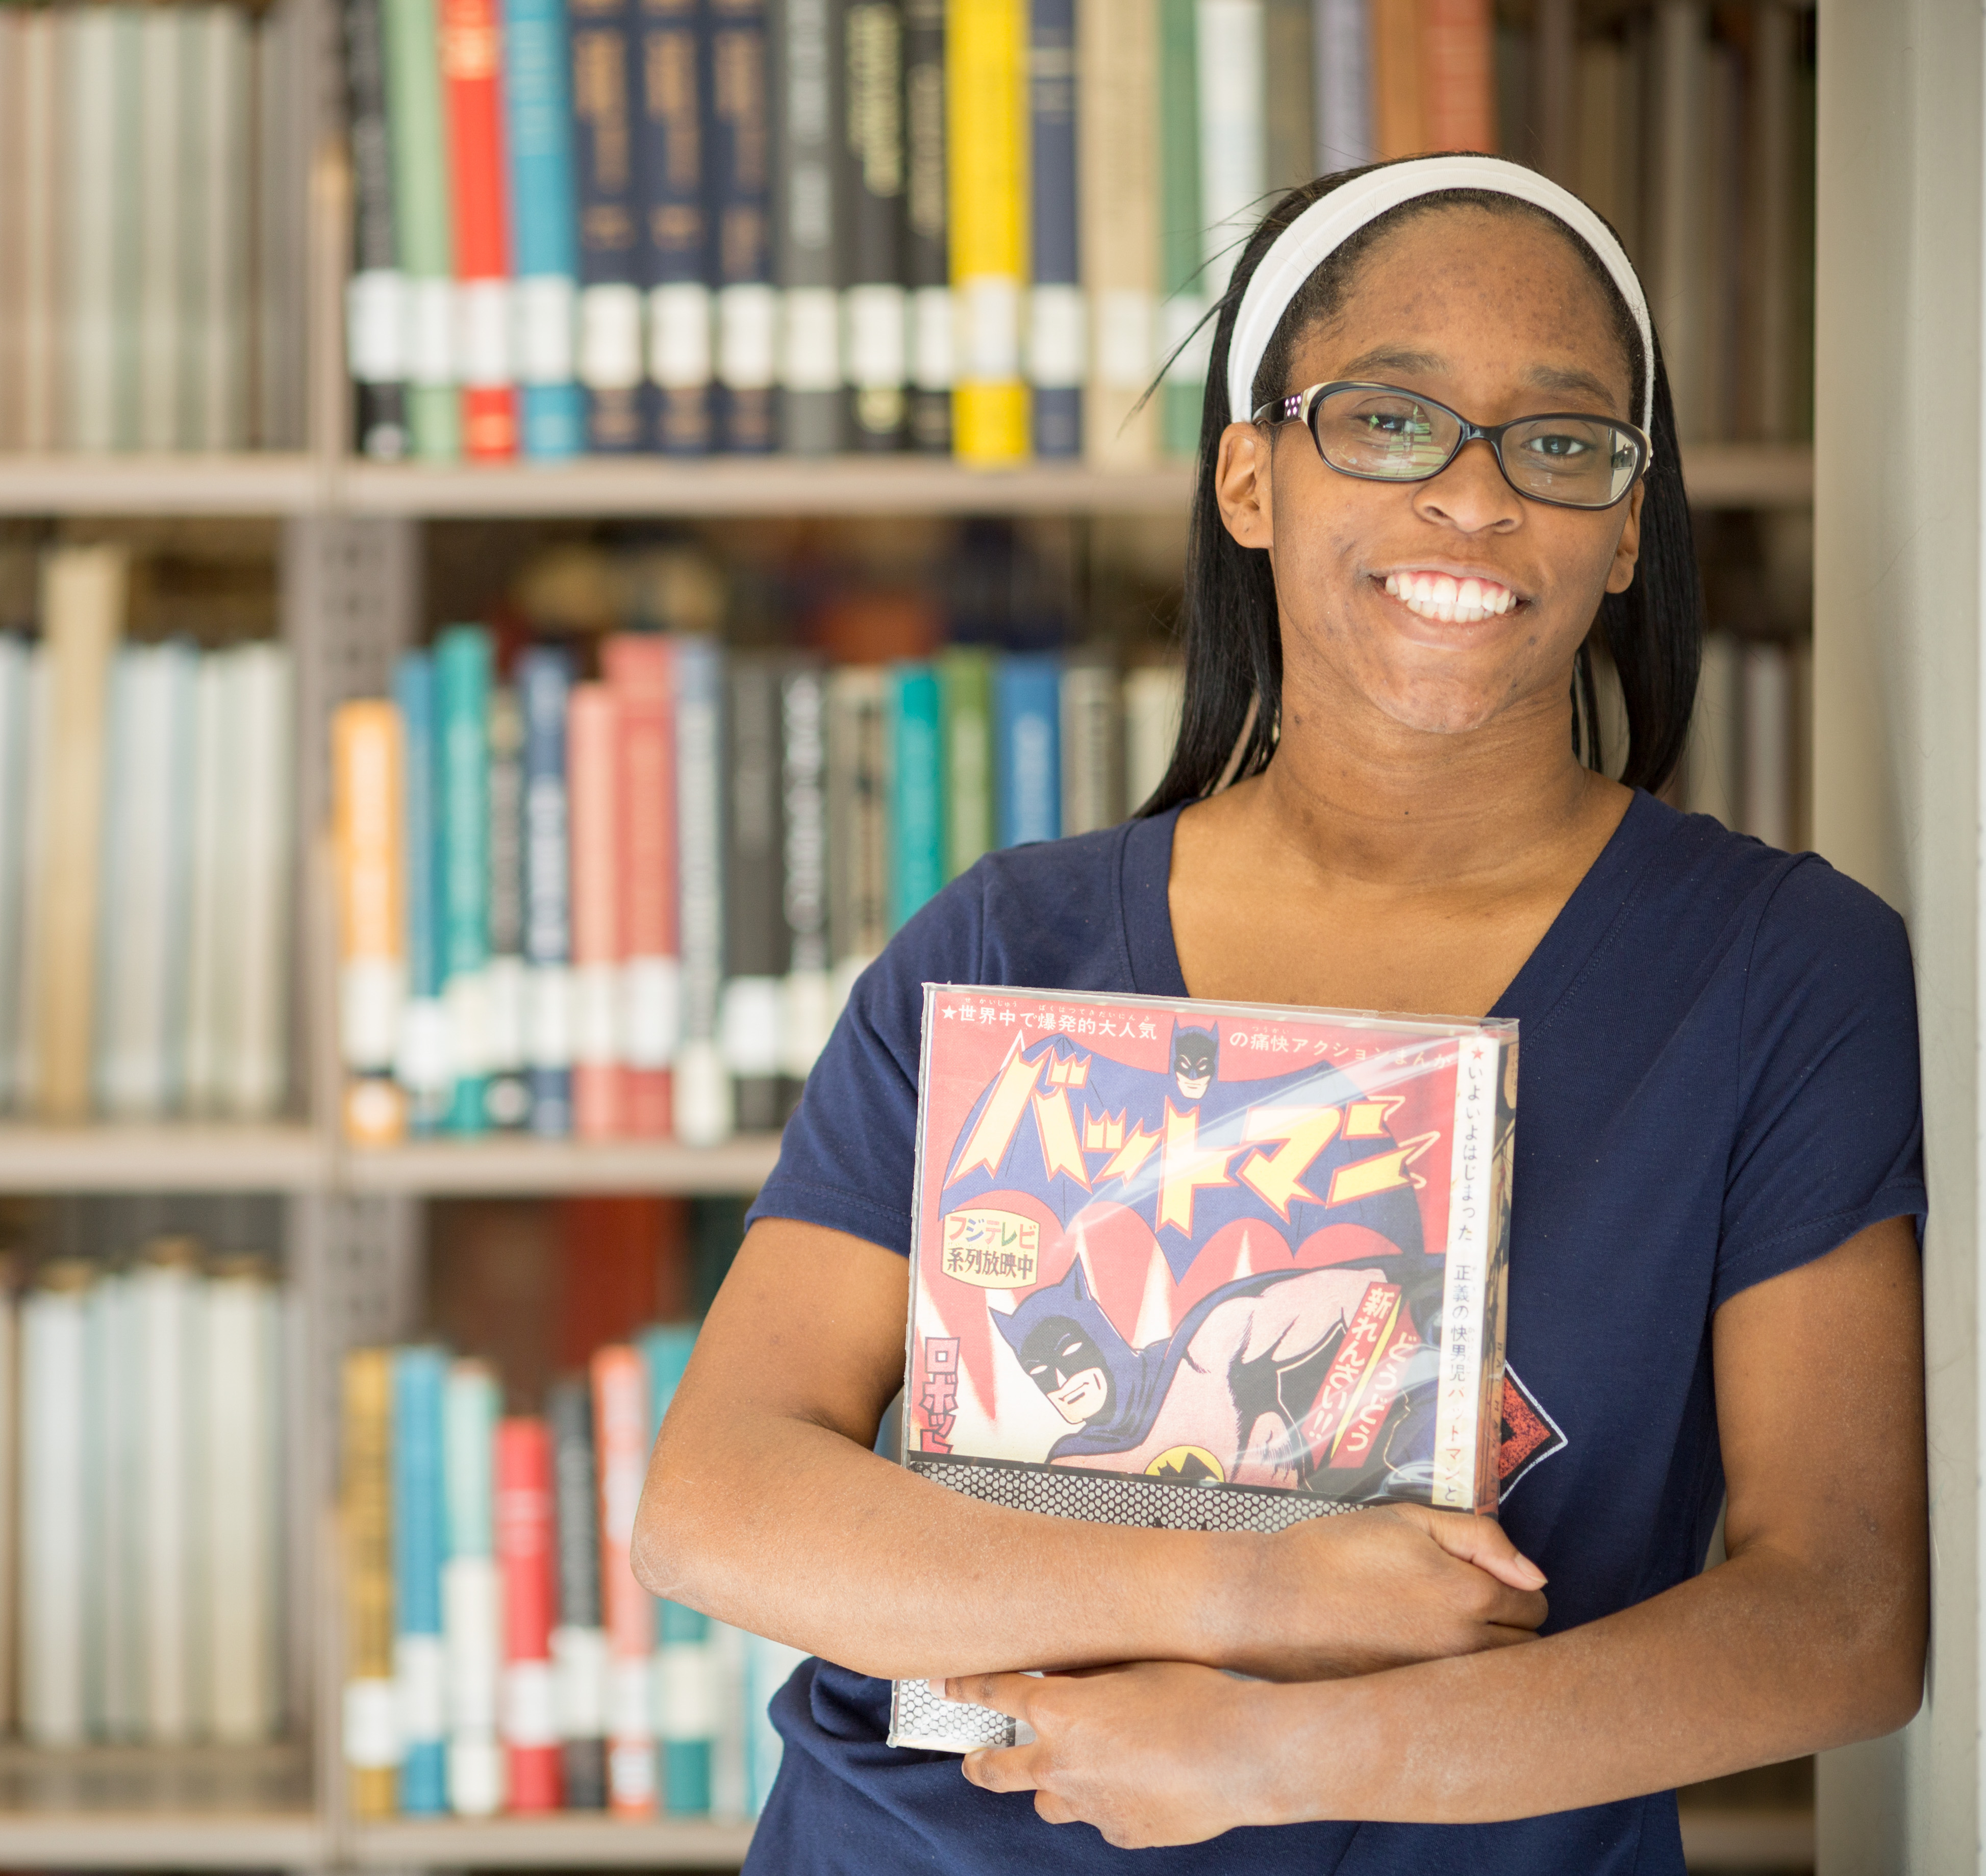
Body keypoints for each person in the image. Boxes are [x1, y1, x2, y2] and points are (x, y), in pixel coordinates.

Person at [631, 153, 1928, 1871]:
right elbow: (715, 1507)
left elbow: (1842, 1622)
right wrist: (1249, 1586)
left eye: (1560, 443)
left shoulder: (1778, 973)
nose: (1475, 499)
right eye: (1389, 420)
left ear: (1625, 528)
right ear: (1250, 476)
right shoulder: (1007, 944)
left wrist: (1284, 1749)